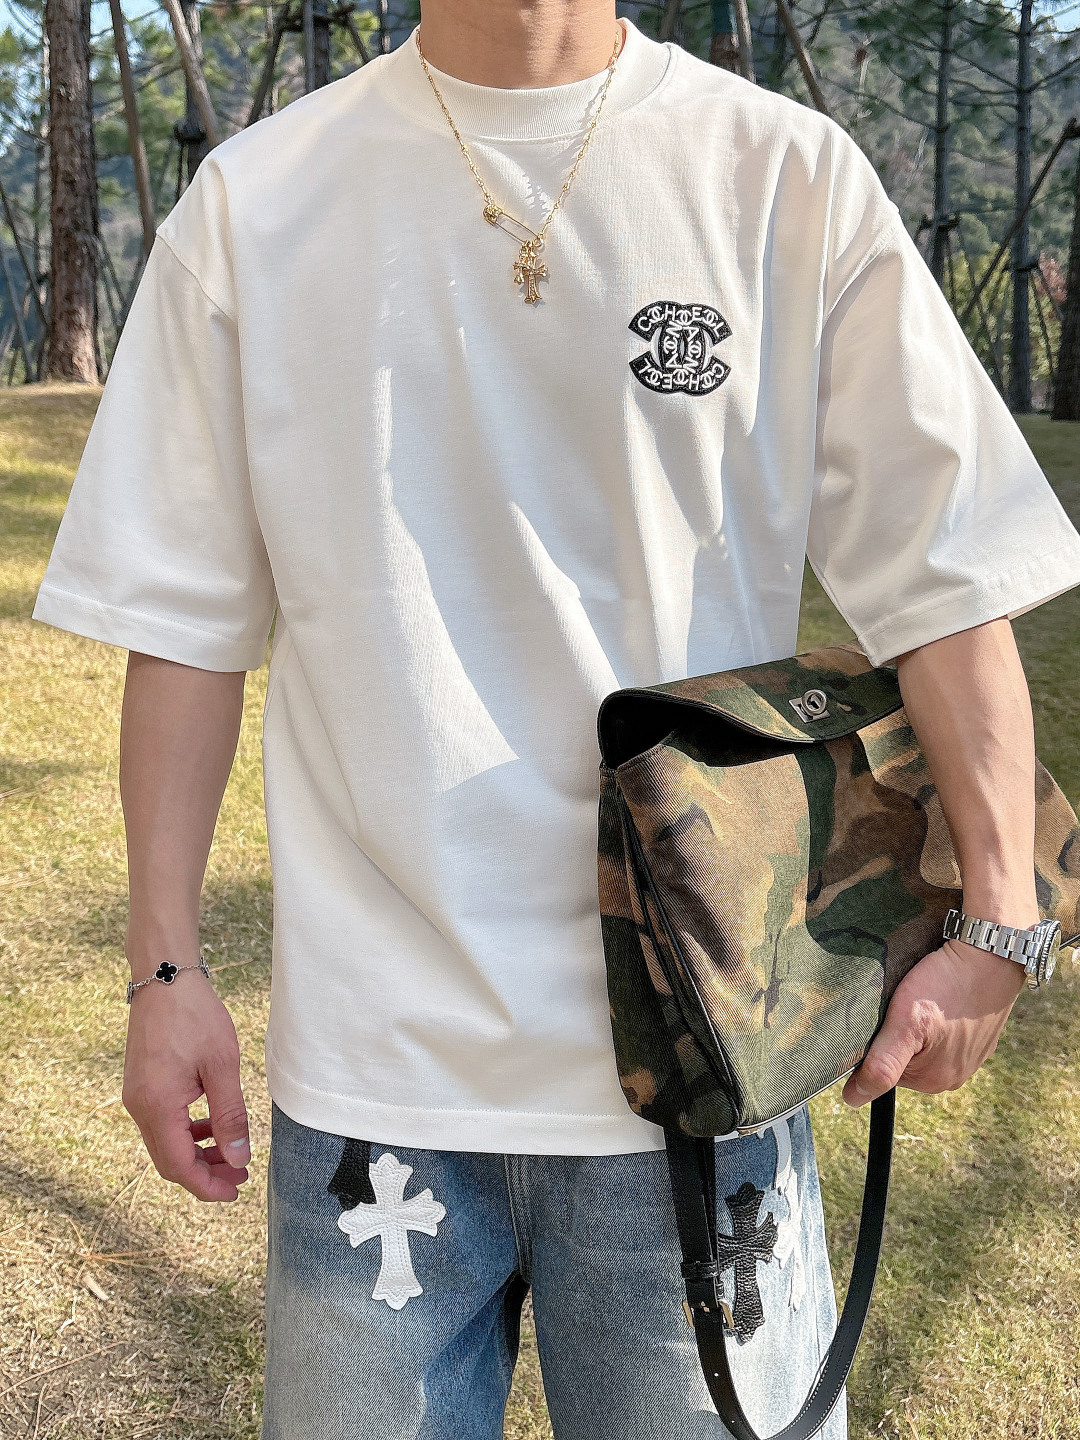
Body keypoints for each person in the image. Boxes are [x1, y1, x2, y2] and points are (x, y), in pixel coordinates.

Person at [32, 2, 1080, 1436]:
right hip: (375, 1088)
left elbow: (948, 579)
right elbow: (184, 626)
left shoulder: (781, 175)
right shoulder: (258, 203)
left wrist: (1004, 919)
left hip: (708, 1061)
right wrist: (163, 972)